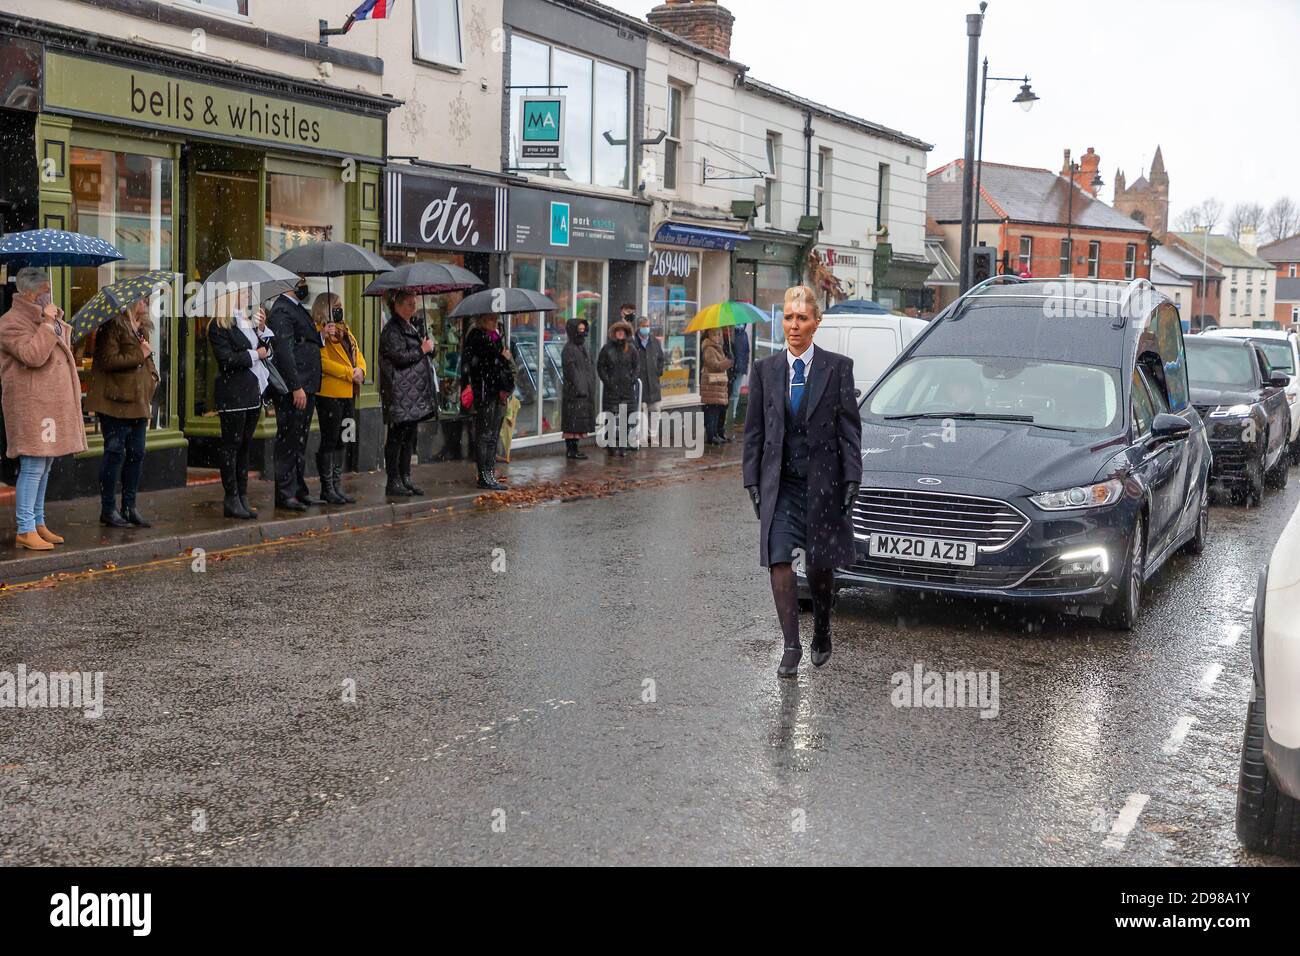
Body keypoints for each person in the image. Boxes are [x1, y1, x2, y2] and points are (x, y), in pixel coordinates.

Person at [742, 285, 861, 679]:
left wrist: (852, 478)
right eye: (788, 318)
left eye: (802, 318)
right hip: (782, 484)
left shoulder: (838, 368)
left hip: (823, 483)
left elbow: (849, 430)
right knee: (779, 560)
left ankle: (822, 630)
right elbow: (755, 431)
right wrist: (751, 480)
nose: (794, 326)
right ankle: (791, 644)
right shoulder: (764, 370)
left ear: (816, 322)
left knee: (821, 566)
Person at [0, 267, 88, 550]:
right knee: (34, 463)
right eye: (43, 291)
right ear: (28, 293)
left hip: (49, 406)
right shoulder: (10, 323)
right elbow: (32, 355)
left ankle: (37, 522)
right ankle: (25, 528)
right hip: (31, 405)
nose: (48, 295)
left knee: (46, 462)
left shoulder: (41, 319)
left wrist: (56, 325)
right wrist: (48, 325)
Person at [83, 295, 159, 527]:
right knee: (114, 454)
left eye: (147, 300)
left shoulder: (141, 329)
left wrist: (153, 376)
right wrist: (140, 354)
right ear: (130, 303)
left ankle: (129, 507)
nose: (146, 304)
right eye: (143, 300)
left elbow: (147, 361)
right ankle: (108, 509)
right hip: (114, 402)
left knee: (137, 454)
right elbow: (108, 360)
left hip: (138, 402)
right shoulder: (112, 326)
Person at [207, 289, 273, 519]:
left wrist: (263, 331)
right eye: (243, 292)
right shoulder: (219, 325)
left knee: (245, 445)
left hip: (253, 392)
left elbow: (267, 351)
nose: (247, 296)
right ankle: (231, 498)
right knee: (231, 446)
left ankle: (243, 496)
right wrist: (255, 354)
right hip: (233, 393)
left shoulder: (248, 321)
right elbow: (227, 360)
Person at [267, 276, 323, 511]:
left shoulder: (297, 308)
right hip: (295, 387)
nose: (304, 285)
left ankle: (299, 489)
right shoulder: (282, 310)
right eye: (300, 281)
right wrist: (296, 386)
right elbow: (284, 351)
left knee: (300, 440)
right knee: (289, 439)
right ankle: (285, 493)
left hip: (307, 384)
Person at [378, 289, 437, 498]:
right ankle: (393, 481)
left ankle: (405, 478)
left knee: (408, 438)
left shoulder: (413, 326)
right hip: (399, 393)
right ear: (399, 306)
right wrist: (422, 349)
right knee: (396, 437)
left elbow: (426, 352)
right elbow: (399, 357)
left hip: (413, 394)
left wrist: (428, 345)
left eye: (415, 303)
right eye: (410, 304)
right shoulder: (392, 330)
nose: (414, 307)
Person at [314, 291, 366, 504]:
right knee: (330, 439)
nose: (340, 309)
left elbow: (358, 354)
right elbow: (322, 362)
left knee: (345, 437)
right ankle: (327, 487)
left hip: (349, 393)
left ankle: (337, 484)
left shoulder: (345, 330)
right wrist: (348, 373)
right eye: (336, 305)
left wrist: (361, 370)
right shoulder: (320, 331)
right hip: (330, 394)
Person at [461, 312, 514, 490]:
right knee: (484, 435)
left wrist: (504, 359)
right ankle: (483, 475)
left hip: (498, 392)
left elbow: (503, 366)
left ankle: (490, 473)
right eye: (491, 318)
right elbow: (482, 366)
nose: (495, 322)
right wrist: (501, 358)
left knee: (493, 435)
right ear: (482, 319)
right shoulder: (477, 337)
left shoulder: (496, 336)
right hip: (486, 392)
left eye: (496, 318)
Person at [597, 317, 638, 457]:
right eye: (618, 332)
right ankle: (610, 444)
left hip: (626, 390)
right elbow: (601, 367)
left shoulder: (631, 349)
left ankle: (623, 445)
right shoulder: (607, 349)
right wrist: (608, 381)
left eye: (622, 332)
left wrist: (632, 379)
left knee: (625, 418)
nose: (620, 334)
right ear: (614, 334)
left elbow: (636, 366)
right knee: (611, 418)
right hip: (611, 390)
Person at [561, 317, 596, 459]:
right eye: (579, 330)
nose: (582, 332)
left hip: (582, 390)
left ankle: (574, 449)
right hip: (575, 392)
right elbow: (571, 372)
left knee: (577, 421)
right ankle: (571, 450)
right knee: (572, 422)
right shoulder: (569, 349)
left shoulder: (581, 347)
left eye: (584, 329)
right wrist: (580, 388)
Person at [632, 313, 665, 448]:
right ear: (638, 328)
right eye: (643, 326)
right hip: (640, 382)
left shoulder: (654, 341)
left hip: (653, 382)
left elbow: (661, 359)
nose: (646, 328)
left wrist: (658, 371)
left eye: (648, 326)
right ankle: (642, 437)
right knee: (641, 412)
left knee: (656, 410)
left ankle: (653, 436)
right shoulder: (633, 342)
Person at [700, 327, 733, 445]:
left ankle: (716, 434)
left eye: (719, 335)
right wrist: (727, 363)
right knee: (711, 413)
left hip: (718, 386)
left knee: (717, 412)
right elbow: (715, 365)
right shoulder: (709, 349)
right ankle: (711, 436)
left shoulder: (718, 348)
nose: (718, 337)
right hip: (711, 386)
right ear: (710, 335)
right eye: (715, 335)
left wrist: (727, 359)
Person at [728, 323, 750, 434]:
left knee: (735, 392)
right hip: (733, 369)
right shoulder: (732, 335)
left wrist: (744, 367)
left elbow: (746, 352)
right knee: (733, 392)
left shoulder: (744, 335)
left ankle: (732, 415)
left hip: (739, 368)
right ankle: (730, 415)